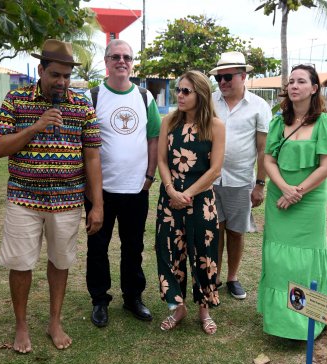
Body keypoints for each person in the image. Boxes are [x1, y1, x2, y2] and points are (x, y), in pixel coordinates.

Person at [0, 39, 103, 353]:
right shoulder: (16, 99)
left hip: (67, 201)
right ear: (41, 70)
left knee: (60, 261)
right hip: (24, 199)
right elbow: (0, 148)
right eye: (56, 75)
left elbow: (92, 157)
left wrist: (98, 205)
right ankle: (21, 325)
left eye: (67, 76)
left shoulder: (82, 104)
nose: (62, 82)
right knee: (21, 263)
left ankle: (55, 321)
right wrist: (36, 126)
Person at [257, 64, 327, 340]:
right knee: (280, 260)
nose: (293, 86)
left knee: (307, 260)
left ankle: (314, 318)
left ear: (314, 88)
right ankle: (281, 322)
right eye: (290, 81)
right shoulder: (278, 122)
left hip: (310, 200)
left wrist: (298, 192)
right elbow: (268, 159)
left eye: (301, 81)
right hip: (279, 199)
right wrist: (284, 189)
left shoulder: (326, 123)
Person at [84, 39, 161, 327]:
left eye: (127, 57)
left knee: (133, 247)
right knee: (97, 247)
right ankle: (100, 300)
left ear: (132, 63)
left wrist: (149, 176)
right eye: (115, 56)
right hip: (100, 190)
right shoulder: (92, 97)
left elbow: (153, 137)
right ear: (106, 61)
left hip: (135, 189)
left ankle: (133, 298)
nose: (122, 61)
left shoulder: (144, 98)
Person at [156, 70, 225, 334]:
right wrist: (171, 190)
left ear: (201, 94)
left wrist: (187, 195)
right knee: (169, 251)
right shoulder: (169, 122)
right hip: (169, 199)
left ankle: (203, 309)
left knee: (203, 255)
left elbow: (214, 169)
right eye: (178, 90)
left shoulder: (215, 126)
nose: (180, 95)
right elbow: (162, 160)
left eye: (186, 91)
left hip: (201, 201)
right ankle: (178, 307)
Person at [209, 51, 272, 299]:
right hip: (210, 180)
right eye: (219, 78)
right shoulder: (209, 101)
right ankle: (213, 277)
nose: (222, 82)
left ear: (242, 76)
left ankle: (232, 277)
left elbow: (263, 148)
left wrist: (260, 184)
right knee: (215, 230)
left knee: (235, 231)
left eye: (227, 77)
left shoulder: (259, 106)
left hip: (240, 181)